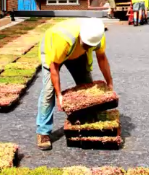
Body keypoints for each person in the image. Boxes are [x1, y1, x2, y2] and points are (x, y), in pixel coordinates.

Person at [36, 18, 114, 150]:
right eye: (86, 45)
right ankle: (43, 132)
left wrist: (110, 83)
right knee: (49, 91)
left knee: (87, 87)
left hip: (76, 53)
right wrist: (59, 95)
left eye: (91, 46)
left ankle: (85, 119)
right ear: (81, 36)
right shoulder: (63, 39)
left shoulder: (98, 36)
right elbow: (54, 67)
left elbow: (102, 58)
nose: (89, 47)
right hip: (54, 50)